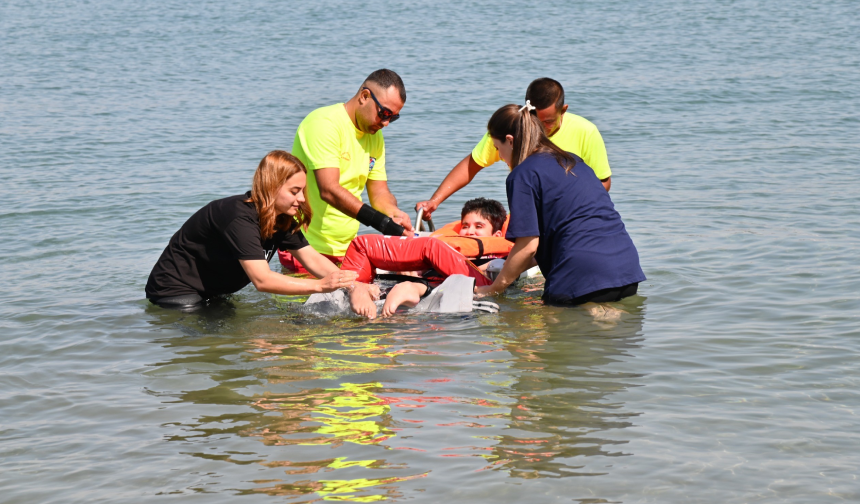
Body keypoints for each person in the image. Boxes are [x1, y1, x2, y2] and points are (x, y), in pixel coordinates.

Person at [145, 151, 365, 310]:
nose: (302, 199)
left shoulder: (281, 217)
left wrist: (354, 287)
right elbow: (262, 281)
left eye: (303, 191)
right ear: (272, 186)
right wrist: (320, 286)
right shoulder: (238, 217)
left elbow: (313, 260)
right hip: (174, 291)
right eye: (295, 191)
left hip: (213, 292)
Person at [475, 103, 645, 305]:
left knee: (545, 321)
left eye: (497, 147)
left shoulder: (522, 175)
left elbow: (528, 246)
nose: (500, 156)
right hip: (627, 270)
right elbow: (565, 237)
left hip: (582, 280)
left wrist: (494, 288)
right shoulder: (572, 160)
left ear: (510, 141)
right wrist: (507, 268)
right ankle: (600, 313)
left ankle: (597, 312)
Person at [415, 77, 613, 221]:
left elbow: (603, 183)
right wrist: (435, 200)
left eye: (549, 122)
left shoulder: (586, 131)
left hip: (571, 214)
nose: (541, 128)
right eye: (536, 121)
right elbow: (471, 165)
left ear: (564, 110)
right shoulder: (511, 127)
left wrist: (562, 209)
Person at [279, 69, 414, 273]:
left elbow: (379, 193)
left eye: (393, 118)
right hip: (304, 247)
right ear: (364, 96)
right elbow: (329, 190)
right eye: (384, 113)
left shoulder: (375, 136)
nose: (386, 123)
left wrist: (392, 213)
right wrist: (381, 223)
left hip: (347, 249)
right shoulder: (324, 124)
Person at [343, 198, 509, 318]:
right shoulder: (451, 247)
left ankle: (411, 289)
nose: (470, 231)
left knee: (426, 277)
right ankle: (400, 289)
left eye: (478, 226)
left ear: (497, 235)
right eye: (465, 226)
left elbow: (494, 269)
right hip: (434, 278)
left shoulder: (496, 255)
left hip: (471, 282)